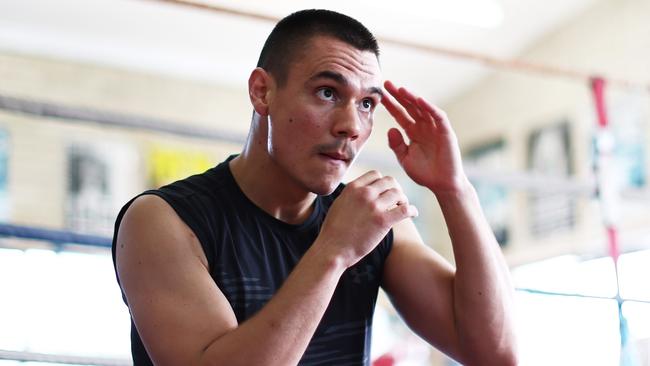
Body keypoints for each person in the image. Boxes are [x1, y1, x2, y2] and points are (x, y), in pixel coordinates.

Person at [112, 9, 518, 366]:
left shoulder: (375, 224)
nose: (352, 126)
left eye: (366, 104)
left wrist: (455, 190)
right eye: (327, 92)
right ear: (262, 91)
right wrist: (334, 252)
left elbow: (495, 355)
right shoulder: (162, 221)